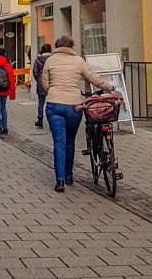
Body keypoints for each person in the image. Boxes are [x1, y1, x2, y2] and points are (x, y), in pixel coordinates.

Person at [42, 35, 113, 192]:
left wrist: (53, 92)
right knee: (70, 140)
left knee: (58, 142)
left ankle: (59, 181)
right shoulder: (78, 61)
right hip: (74, 105)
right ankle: (68, 175)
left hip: (54, 105)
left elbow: (44, 82)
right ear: (71, 46)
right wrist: (109, 87)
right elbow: (94, 79)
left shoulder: (50, 61)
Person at [32, 43, 52, 129]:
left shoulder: (38, 59)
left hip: (41, 81)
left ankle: (40, 121)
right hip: (51, 81)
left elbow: (35, 72)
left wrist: (39, 80)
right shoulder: (52, 58)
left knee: (41, 103)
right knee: (51, 103)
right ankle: (52, 121)